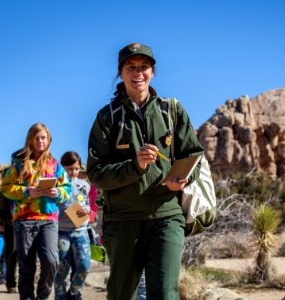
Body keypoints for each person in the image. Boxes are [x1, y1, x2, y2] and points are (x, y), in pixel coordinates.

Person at [87, 42, 205, 300]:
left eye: (144, 67)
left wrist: (183, 179)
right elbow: (96, 173)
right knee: (121, 294)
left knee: (164, 293)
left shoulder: (171, 111)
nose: (138, 73)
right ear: (121, 73)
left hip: (167, 216)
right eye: (131, 67)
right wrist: (135, 166)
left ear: (152, 72)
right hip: (123, 220)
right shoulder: (107, 117)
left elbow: (193, 156)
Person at [1, 122, 71, 300]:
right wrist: (27, 191)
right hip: (25, 220)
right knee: (26, 267)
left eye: (44, 137)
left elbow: (67, 189)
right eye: (37, 137)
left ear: (49, 140)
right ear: (30, 140)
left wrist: (58, 192)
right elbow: (6, 187)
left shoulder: (55, 165)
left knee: (51, 261)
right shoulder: (19, 164)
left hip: (49, 219)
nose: (40, 141)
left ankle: (42, 296)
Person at [54, 151, 92, 300]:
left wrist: (87, 209)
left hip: (81, 231)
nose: (74, 172)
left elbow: (87, 204)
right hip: (61, 233)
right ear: (62, 167)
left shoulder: (84, 185)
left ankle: (74, 293)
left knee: (85, 266)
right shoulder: (56, 185)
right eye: (70, 169)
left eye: (76, 168)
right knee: (61, 271)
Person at [0, 185, 18, 293]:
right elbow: (1, 204)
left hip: (30, 222)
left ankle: (25, 283)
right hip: (10, 223)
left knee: (27, 254)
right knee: (9, 254)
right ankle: (9, 282)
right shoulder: (9, 182)